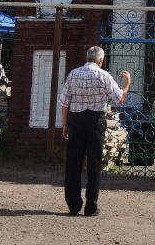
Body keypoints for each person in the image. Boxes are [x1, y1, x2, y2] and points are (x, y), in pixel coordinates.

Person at [59, 45, 131, 217]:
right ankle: (91, 206)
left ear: (87, 58)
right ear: (100, 60)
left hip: (76, 120)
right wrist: (127, 83)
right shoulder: (103, 75)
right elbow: (119, 98)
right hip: (95, 121)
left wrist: (65, 124)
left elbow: (64, 102)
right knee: (94, 162)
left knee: (73, 162)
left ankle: (73, 205)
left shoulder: (73, 74)